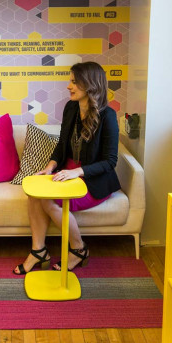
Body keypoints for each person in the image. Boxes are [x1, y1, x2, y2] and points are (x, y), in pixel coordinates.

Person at [13, 62, 122, 275]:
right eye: (70, 81)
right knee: (34, 195)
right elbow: (62, 145)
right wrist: (50, 167)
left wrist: (77, 172)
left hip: (94, 179)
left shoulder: (108, 116)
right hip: (67, 173)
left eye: (74, 81)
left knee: (50, 201)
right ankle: (38, 251)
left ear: (90, 85)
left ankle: (79, 249)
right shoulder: (71, 107)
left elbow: (110, 161)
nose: (68, 86)